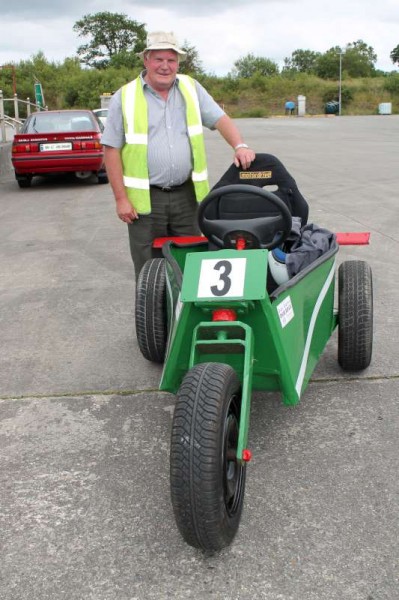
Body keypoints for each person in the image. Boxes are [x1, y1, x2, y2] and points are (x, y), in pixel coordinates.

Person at [102, 31, 255, 280]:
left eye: (171, 60)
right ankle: (154, 317)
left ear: (178, 63)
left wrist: (240, 145)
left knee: (192, 263)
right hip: (144, 202)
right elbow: (111, 149)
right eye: (158, 59)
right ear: (146, 61)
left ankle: (186, 317)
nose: (165, 66)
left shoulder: (191, 88)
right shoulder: (125, 96)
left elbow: (220, 119)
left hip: (187, 197)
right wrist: (121, 199)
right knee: (147, 270)